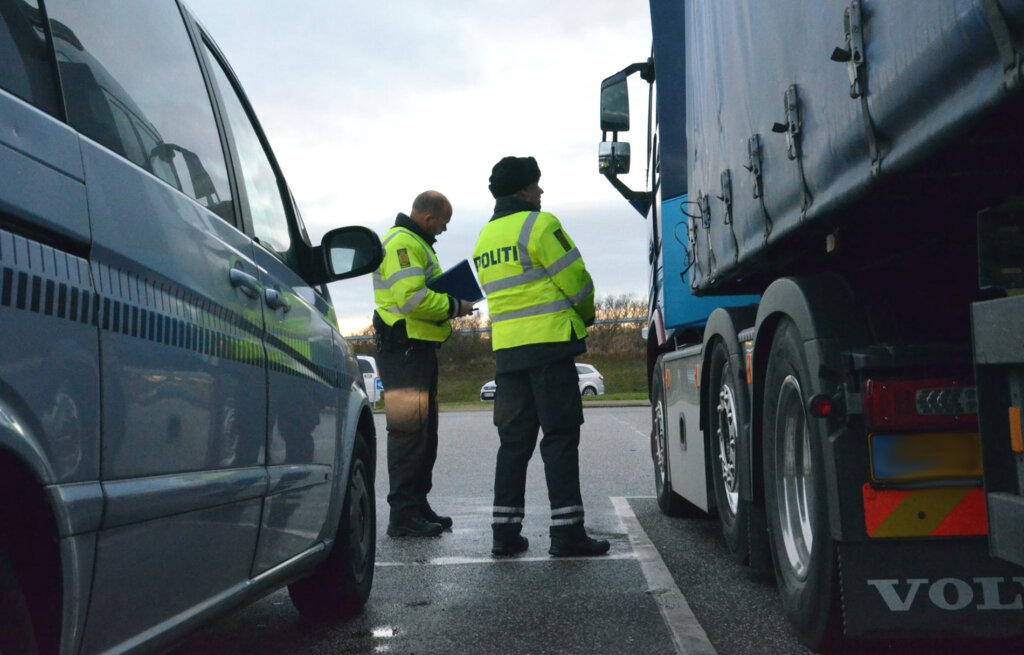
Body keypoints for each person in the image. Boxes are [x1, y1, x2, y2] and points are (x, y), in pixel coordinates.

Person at [472, 156, 610, 557]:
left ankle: (505, 534)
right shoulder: (541, 224)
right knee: (560, 438)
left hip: (508, 354)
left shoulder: (484, 238)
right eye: (537, 185)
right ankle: (567, 534)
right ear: (522, 191)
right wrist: (585, 317)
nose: (541, 192)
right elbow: (576, 280)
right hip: (549, 347)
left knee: (513, 443)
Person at [374, 190, 473, 537]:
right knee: (408, 433)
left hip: (417, 349)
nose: (443, 231)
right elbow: (413, 299)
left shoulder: (416, 243)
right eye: (443, 223)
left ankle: (417, 504)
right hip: (404, 349)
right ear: (428, 218)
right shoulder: (403, 244)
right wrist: (454, 305)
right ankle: (402, 515)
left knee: (424, 434)